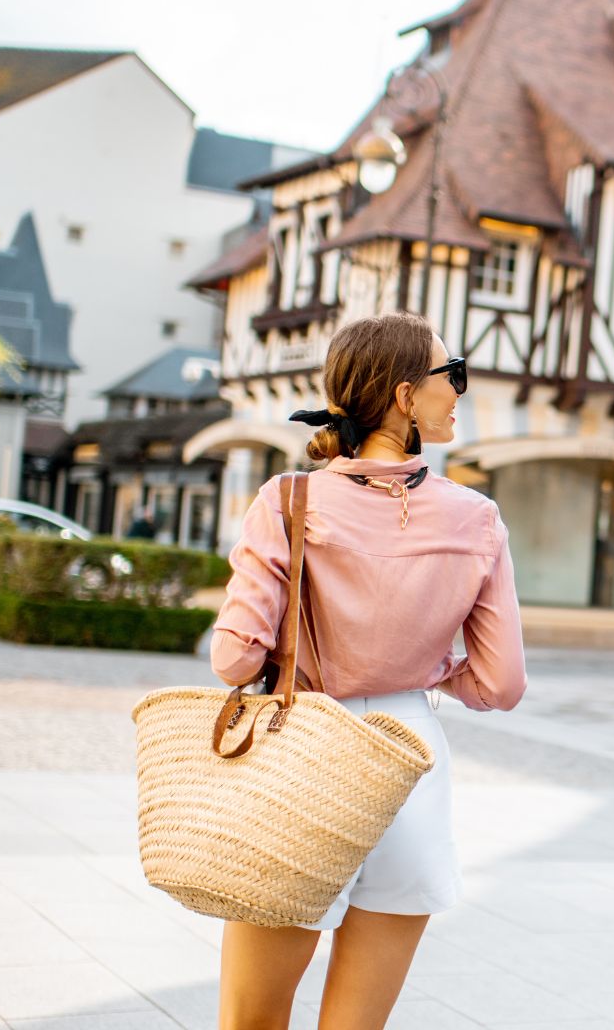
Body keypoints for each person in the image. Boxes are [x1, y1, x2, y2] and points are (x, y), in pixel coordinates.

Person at [208, 313, 526, 1030]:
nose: (461, 394)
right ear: (407, 397)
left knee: (250, 1021)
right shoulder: (477, 518)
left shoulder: (288, 501)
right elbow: (501, 685)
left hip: (304, 753)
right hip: (410, 761)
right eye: (456, 377)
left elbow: (233, 657)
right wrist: (430, 669)